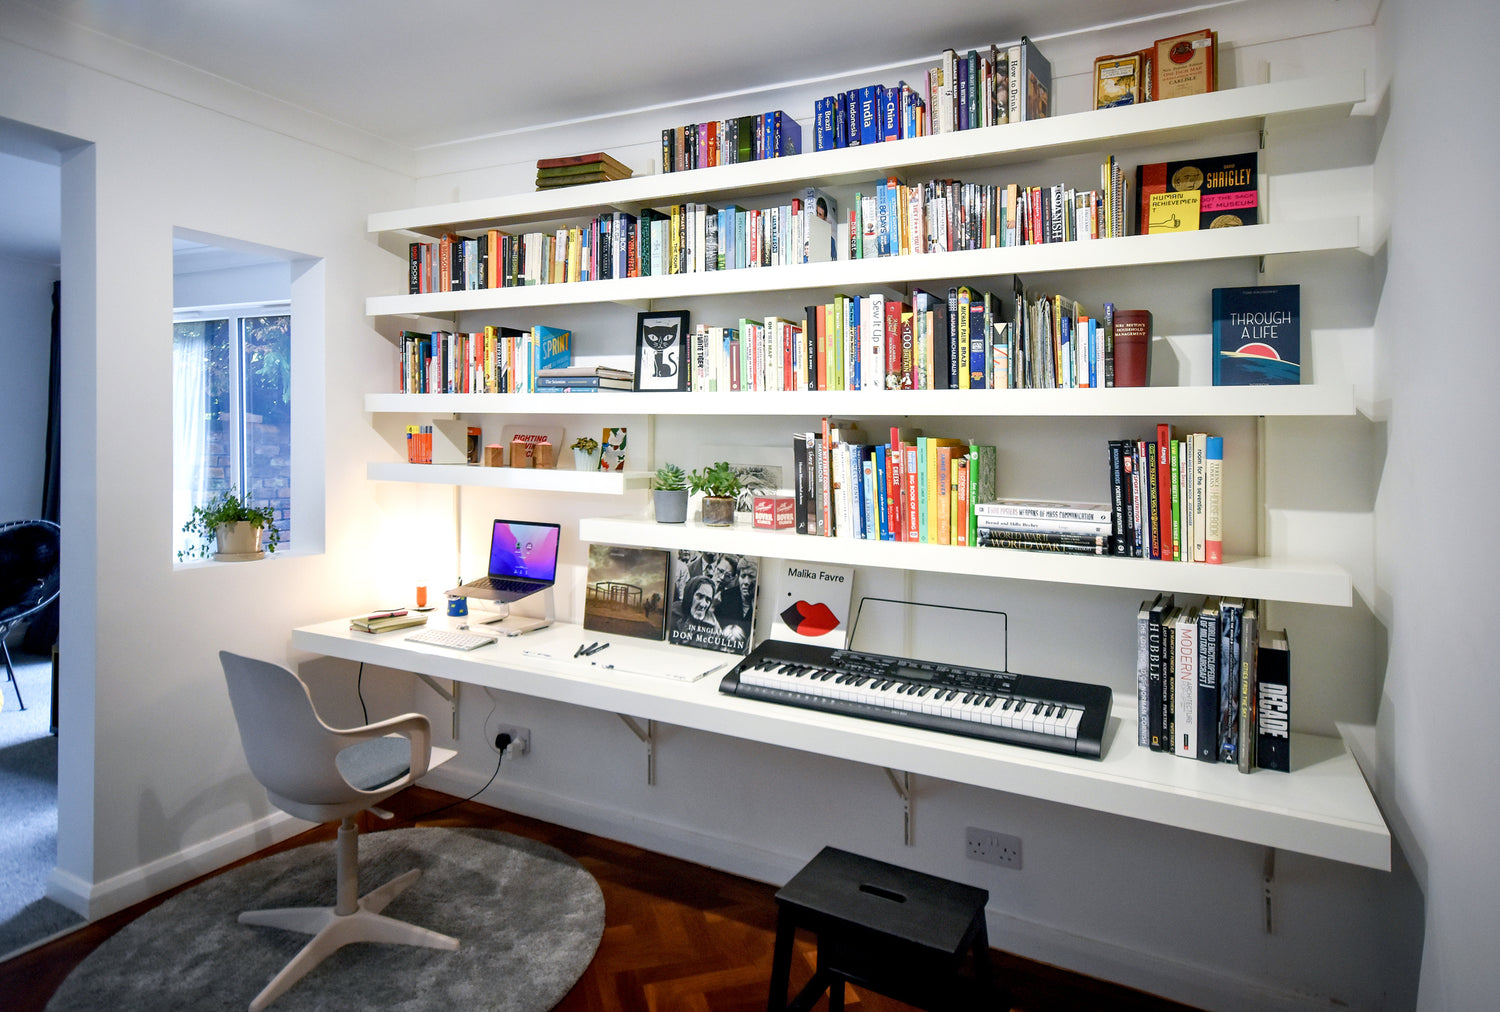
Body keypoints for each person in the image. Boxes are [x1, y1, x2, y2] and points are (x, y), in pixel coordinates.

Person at [715, 557, 756, 646]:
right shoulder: (725, 597)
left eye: (751, 576)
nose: (746, 582)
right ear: (738, 577)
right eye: (743, 576)